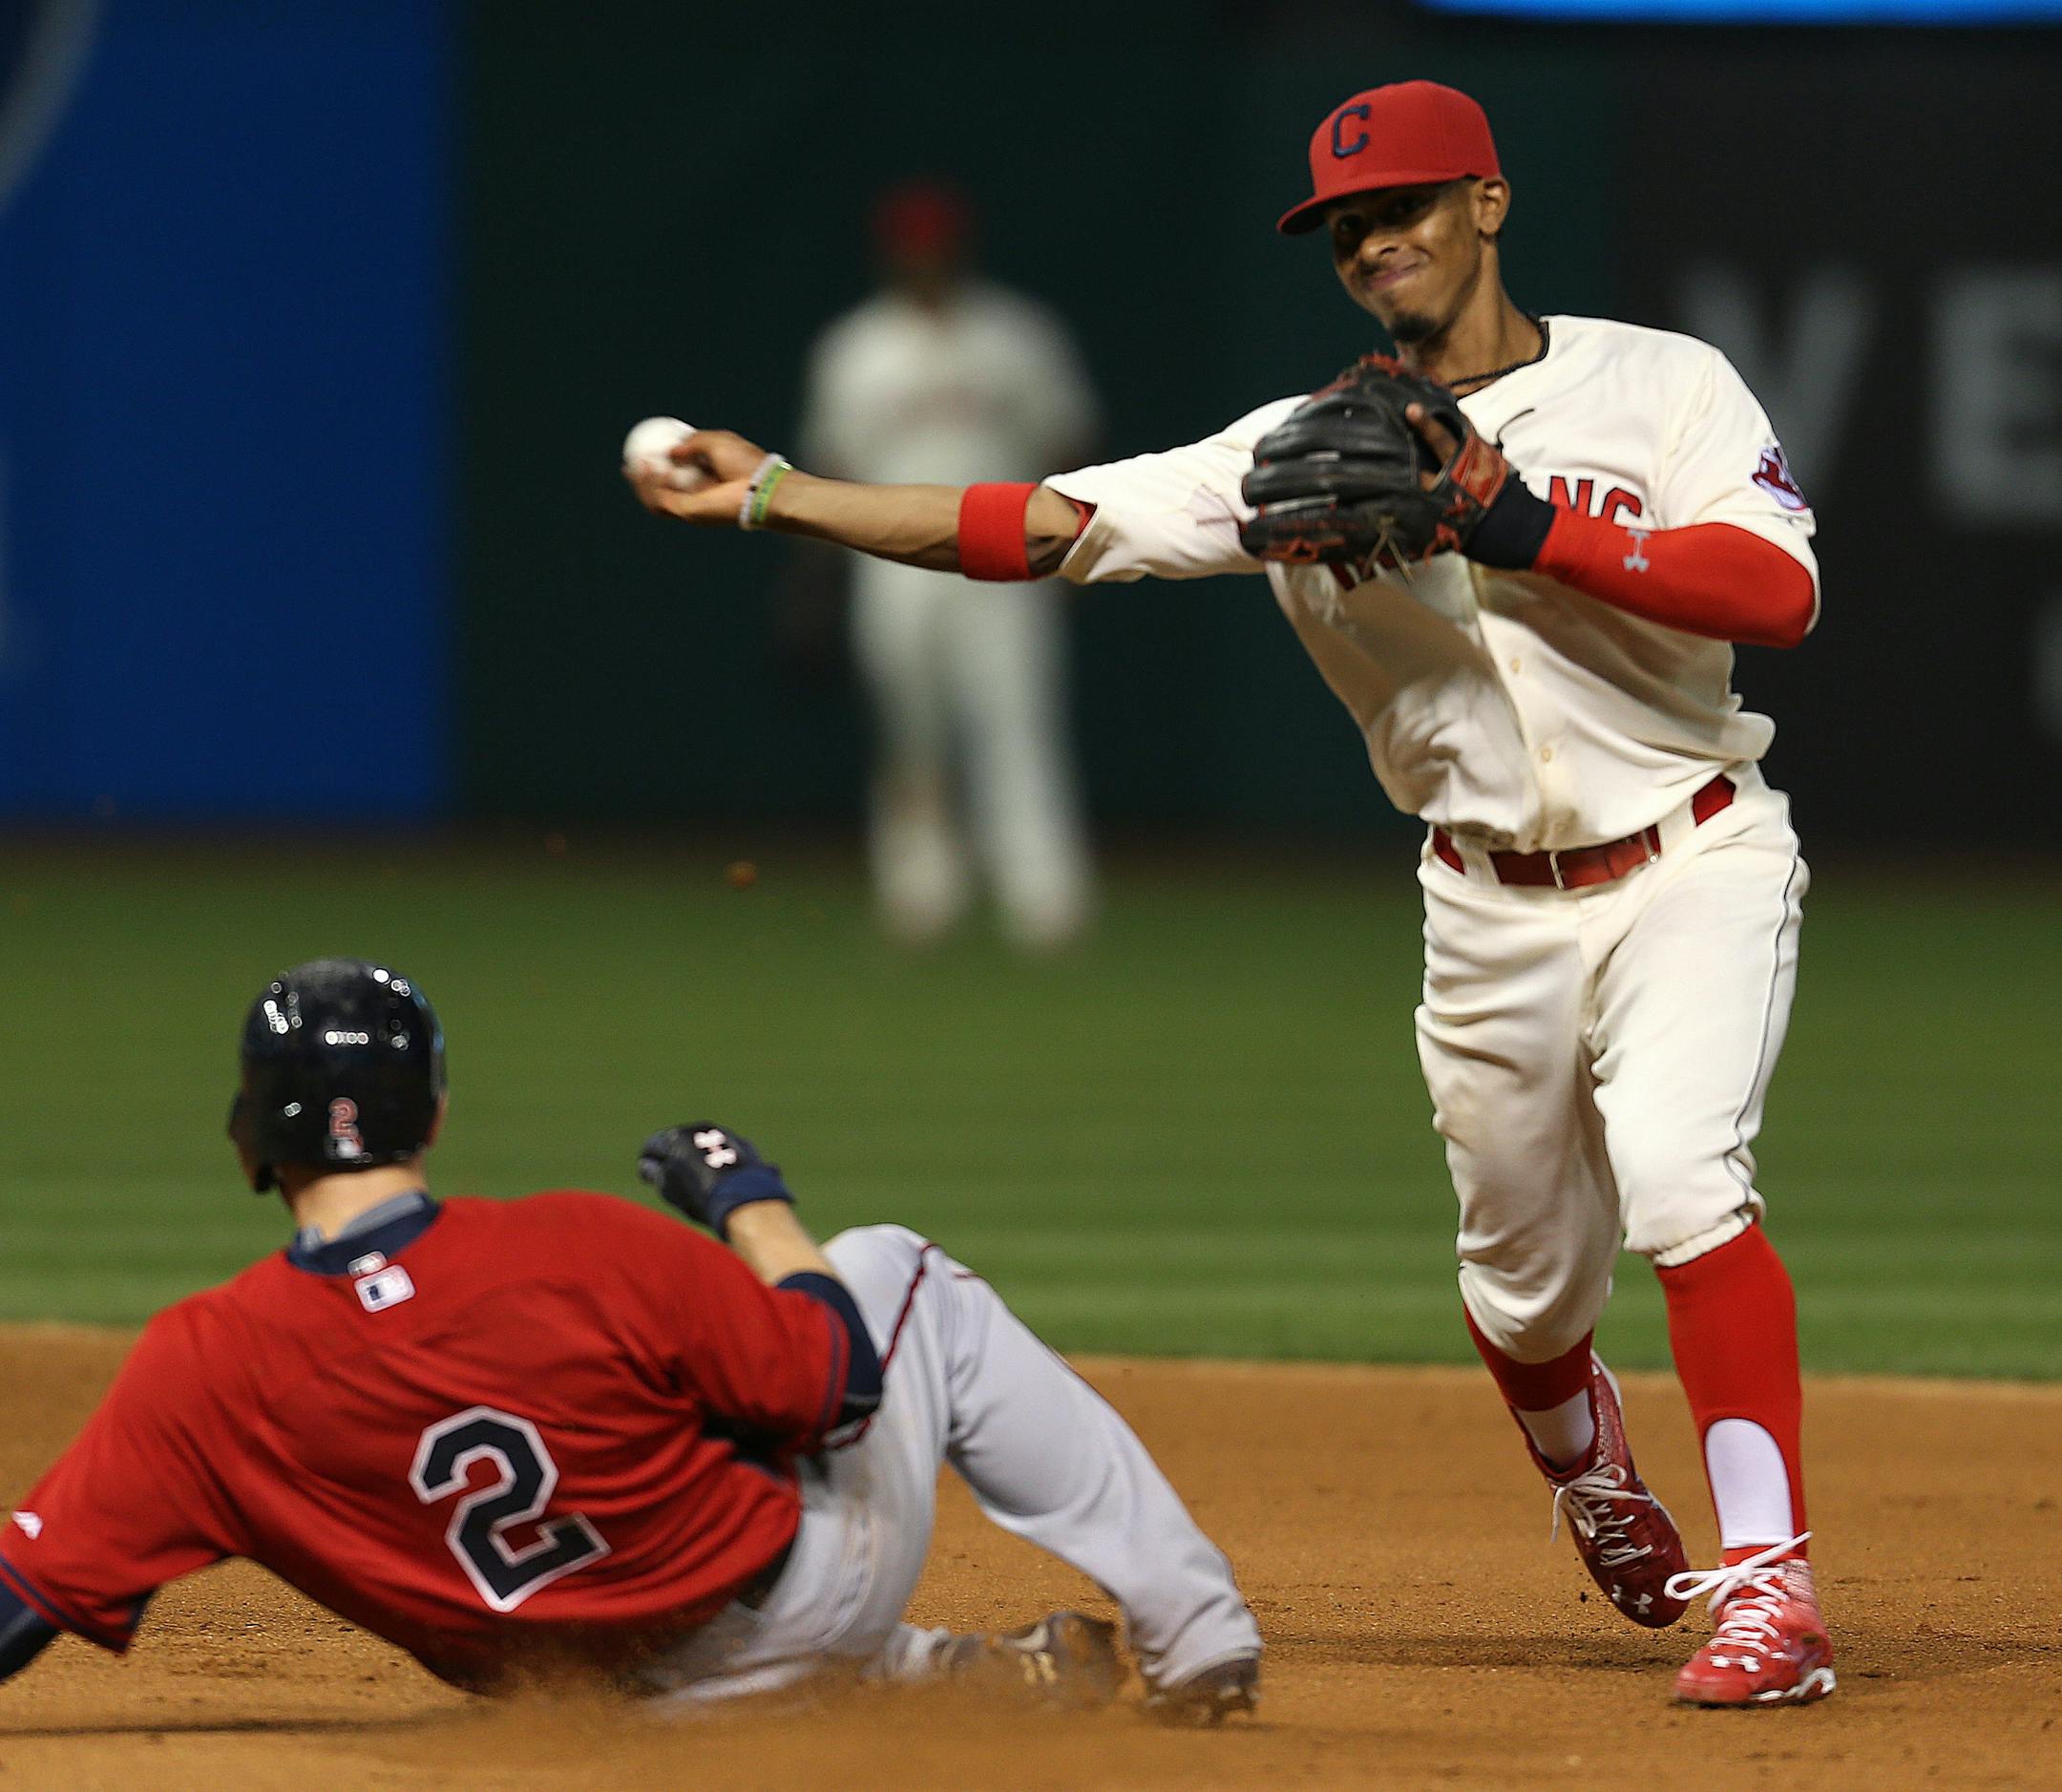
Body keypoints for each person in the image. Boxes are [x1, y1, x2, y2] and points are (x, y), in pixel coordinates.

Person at [626, 80, 1835, 1708]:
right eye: (1346, 224)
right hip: (1485, 903)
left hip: (1693, 851)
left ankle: (1770, 1587)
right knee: (1522, 1289)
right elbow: (1038, 522)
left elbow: (1778, 589)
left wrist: (1517, 521)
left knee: (1690, 1183)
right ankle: (1589, 1471)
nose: (1377, 238)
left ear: (1488, 200)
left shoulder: (1661, 382)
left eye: (1405, 202)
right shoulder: (1291, 456)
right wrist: (779, 493)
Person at [0, 959, 1262, 1720]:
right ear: (433, 1109)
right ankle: (1197, 1635)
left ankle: (933, 1682)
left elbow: (24, 1597)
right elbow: (833, 1388)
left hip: (612, 1717)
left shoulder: (199, 1369)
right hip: (794, 1603)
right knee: (891, 1268)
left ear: (251, 1135)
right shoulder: (572, 1245)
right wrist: (749, 1202)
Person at [796, 179, 1100, 950]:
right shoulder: (856, 348)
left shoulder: (1015, 335)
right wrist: (814, 578)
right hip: (892, 566)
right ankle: (920, 893)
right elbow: (831, 469)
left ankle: (1045, 898)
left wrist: (1070, 549)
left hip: (1006, 554)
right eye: (912, 246)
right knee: (910, 732)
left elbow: (1068, 443)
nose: (924, 258)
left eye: (935, 244)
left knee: (1019, 722)